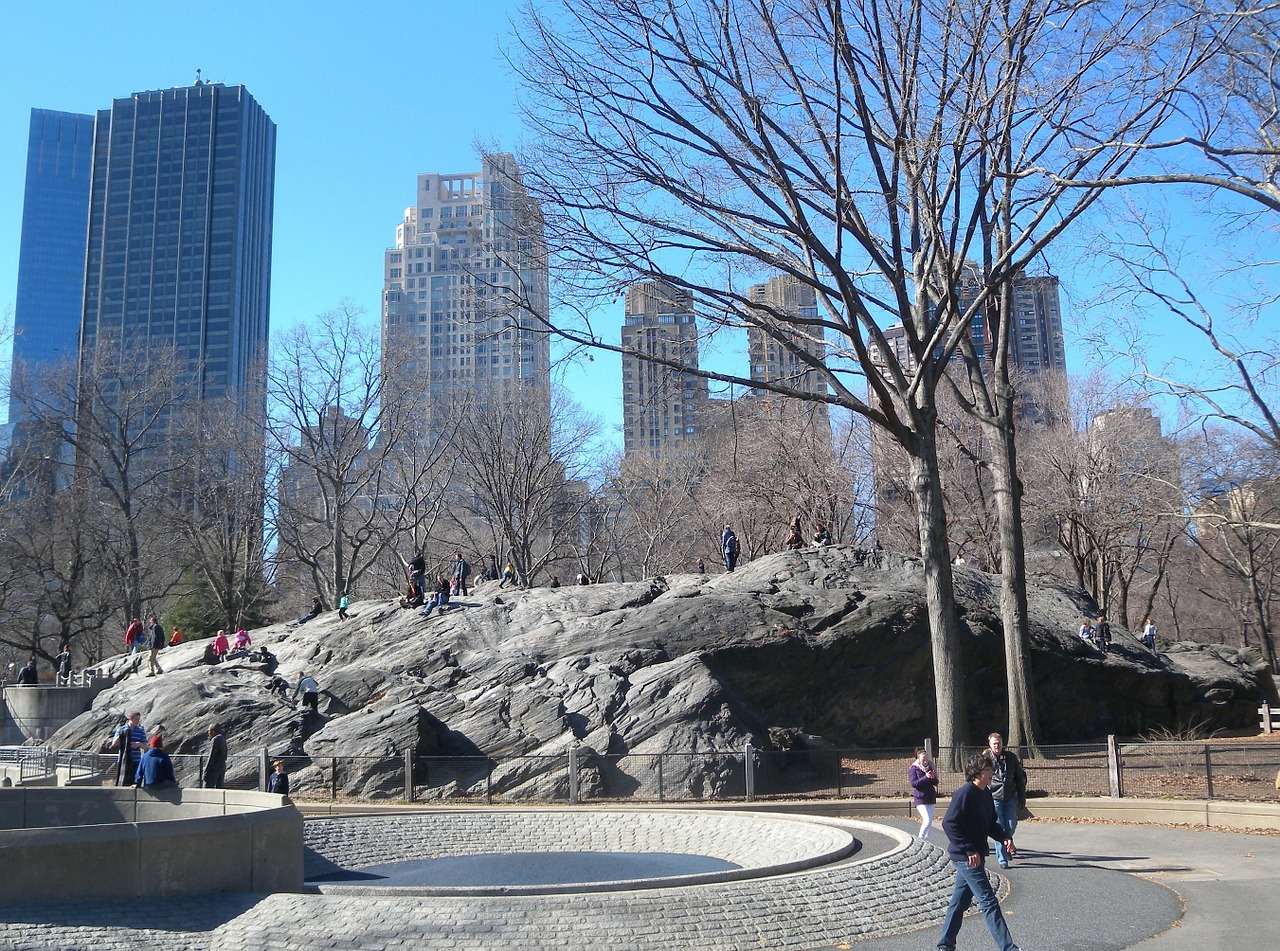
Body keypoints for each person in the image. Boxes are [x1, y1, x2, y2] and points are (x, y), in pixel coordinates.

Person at [936, 751, 1021, 951]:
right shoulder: (965, 793)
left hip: (975, 855)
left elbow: (991, 824)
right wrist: (968, 850)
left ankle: (945, 945)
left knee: (958, 903)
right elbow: (949, 824)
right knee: (989, 900)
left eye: (991, 769)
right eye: (987, 769)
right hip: (965, 858)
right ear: (976, 772)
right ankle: (1009, 948)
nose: (991, 772)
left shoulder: (986, 794)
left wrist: (1005, 837)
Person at [987, 732, 1027, 869]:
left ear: (1002, 743)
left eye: (998, 743)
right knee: (1000, 828)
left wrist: (1022, 796)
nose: (997, 746)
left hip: (1010, 797)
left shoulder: (1010, 757)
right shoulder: (986, 759)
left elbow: (1019, 778)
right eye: (994, 744)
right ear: (990, 745)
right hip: (994, 797)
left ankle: (1007, 843)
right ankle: (1002, 859)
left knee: (1011, 825)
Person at [909, 747, 940, 840]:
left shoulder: (930, 767)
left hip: (930, 797)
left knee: (930, 821)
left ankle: (927, 840)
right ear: (918, 759)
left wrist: (932, 777)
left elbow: (936, 783)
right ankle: (920, 839)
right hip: (920, 798)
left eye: (926, 759)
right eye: (923, 760)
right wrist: (926, 777)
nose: (925, 762)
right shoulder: (913, 769)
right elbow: (914, 784)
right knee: (926, 820)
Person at [112, 712, 147, 786]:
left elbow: (145, 746)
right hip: (124, 760)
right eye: (136, 719)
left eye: (138, 719)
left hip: (136, 760)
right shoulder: (121, 729)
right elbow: (114, 744)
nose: (137, 721)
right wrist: (123, 734)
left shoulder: (140, 731)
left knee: (135, 781)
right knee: (123, 781)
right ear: (130, 718)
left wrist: (138, 744)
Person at [203, 722, 228, 789]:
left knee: (207, 787)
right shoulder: (222, 738)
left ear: (213, 731)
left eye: (209, 730)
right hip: (222, 766)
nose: (208, 732)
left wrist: (206, 771)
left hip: (214, 768)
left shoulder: (215, 739)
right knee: (219, 788)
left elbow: (211, 756)